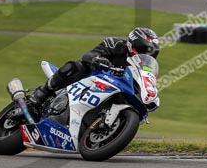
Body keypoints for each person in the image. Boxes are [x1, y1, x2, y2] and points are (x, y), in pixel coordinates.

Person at [28, 27, 160, 110]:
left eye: (150, 53)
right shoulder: (115, 44)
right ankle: (41, 93)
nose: (146, 55)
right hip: (94, 77)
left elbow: (145, 83)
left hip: (115, 89)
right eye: (143, 50)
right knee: (77, 66)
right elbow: (89, 55)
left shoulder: (144, 67)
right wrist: (98, 60)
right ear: (132, 44)